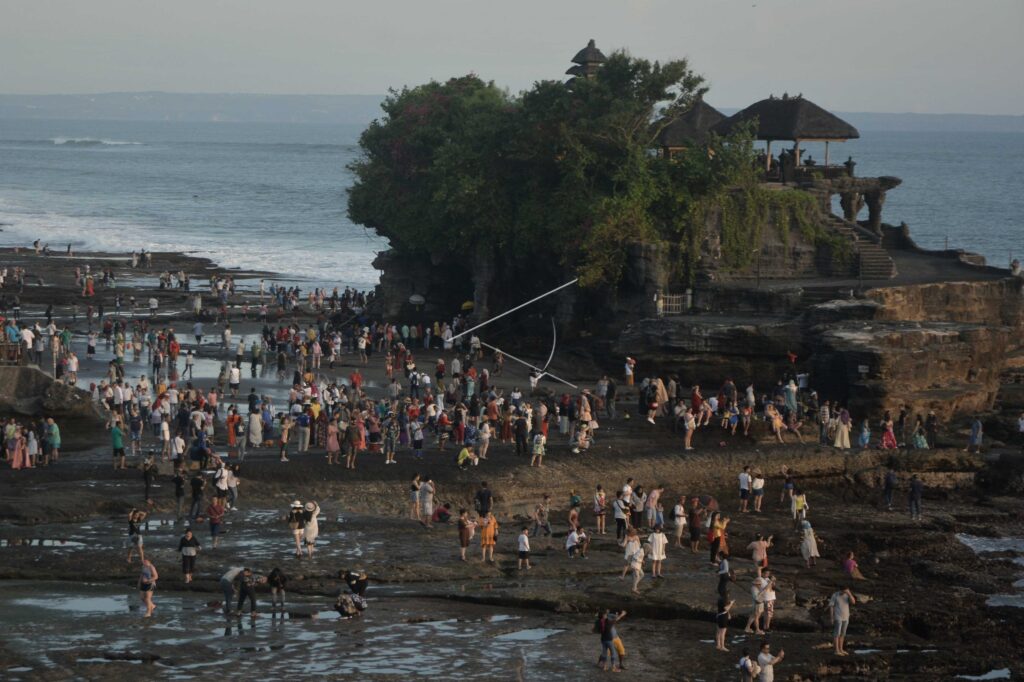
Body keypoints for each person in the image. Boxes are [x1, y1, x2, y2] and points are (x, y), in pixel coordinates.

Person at [829, 587, 857, 655]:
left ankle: (841, 649)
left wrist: (849, 593)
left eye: (845, 591)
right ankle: (837, 650)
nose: (843, 592)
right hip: (838, 617)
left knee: (843, 634)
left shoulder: (847, 595)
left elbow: (853, 602)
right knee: (837, 634)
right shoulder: (835, 595)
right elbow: (831, 606)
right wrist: (832, 617)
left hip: (846, 617)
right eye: (843, 591)